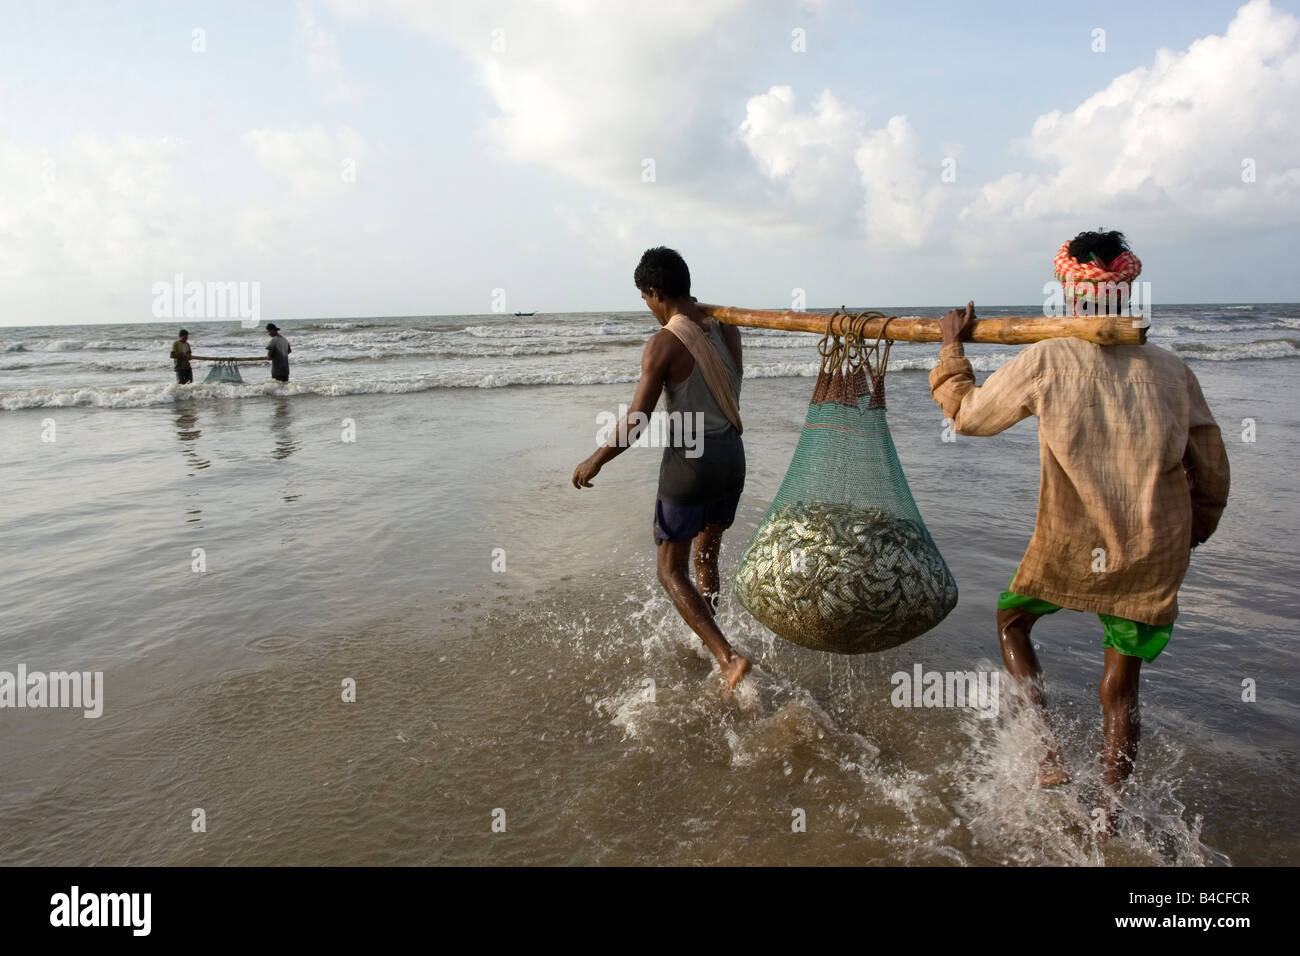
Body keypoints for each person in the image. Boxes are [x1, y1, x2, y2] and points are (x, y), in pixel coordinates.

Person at [929, 229, 1230, 833]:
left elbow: (968, 417)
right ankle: (1107, 814)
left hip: (1072, 543)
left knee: (1014, 621)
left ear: (1071, 298)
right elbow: (1212, 464)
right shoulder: (1172, 371)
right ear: (1124, 298)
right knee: (1121, 687)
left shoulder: (1047, 359)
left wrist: (950, 351)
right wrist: (1197, 527)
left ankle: (1046, 752)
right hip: (1152, 548)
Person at [572, 247, 751, 695]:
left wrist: (595, 459)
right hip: (732, 457)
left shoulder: (664, 344)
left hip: (689, 464)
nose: (650, 310)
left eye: (647, 300)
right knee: (706, 554)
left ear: (655, 293)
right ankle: (712, 639)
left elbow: (637, 419)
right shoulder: (727, 329)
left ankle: (728, 658)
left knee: (670, 571)